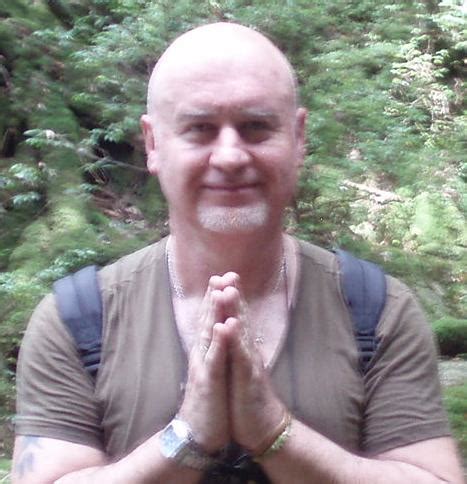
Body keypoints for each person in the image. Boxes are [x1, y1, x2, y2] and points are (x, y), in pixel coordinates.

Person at [12, 22, 464, 484]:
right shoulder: (79, 320)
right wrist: (187, 437)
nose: (230, 157)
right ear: (153, 144)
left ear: (298, 138)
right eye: (200, 129)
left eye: (256, 127)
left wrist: (274, 432)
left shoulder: (376, 312)